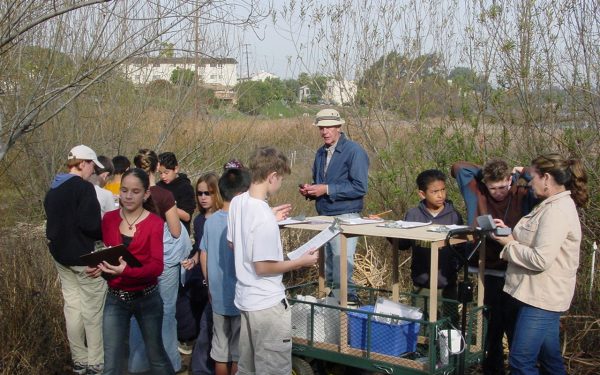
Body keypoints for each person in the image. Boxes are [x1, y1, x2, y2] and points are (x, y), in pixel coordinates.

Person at [492, 153, 588, 375]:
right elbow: (537, 244)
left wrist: (508, 245)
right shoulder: (550, 205)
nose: (529, 182)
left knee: (520, 362)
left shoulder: (556, 211)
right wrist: (510, 235)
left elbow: (540, 259)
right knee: (550, 360)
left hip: (542, 299)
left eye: (532, 177)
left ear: (546, 178)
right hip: (539, 294)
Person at [228, 147, 319, 375]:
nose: (279, 184)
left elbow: (234, 243)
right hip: (267, 305)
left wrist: (271, 216)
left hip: (246, 300)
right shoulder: (263, 217)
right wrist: (301, 262)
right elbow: (263, 267)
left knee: (247, 369)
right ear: (272, 177)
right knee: (274, 370)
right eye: (280, 179)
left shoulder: (238, 202)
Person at [451, 159, 537, 375]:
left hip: (514, 268)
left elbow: (545, 181)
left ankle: (517, 368)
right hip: (485, 267)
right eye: (493, 187)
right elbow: (458, 168)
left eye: (502, 186)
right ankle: (493, 368)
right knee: (491, 326)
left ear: (510, 180)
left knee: (514, 325)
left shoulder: (522, 194)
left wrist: (521, 171)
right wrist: (485, 173)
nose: (498, 192)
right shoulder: (477, 191)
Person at [86, 168, 175, 375]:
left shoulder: (154, 223)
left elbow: (156, 266)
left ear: (146, 194)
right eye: (124, 190)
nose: (127, 196)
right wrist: (100, 267)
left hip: (147, 298)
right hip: (115, 298)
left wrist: (126, 271)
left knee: (156, 355)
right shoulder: (108, 219)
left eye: (135, 191)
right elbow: (109, 253)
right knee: (112, 360)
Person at [43, 145, 107, 375]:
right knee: (92, 311)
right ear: (82, 164)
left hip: (61, 258)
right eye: (91, 165)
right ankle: (96, 363)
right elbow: (90, 225)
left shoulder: (54, 188)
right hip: (84, 259)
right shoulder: (83, 189)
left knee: (72, 309)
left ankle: (79, 360)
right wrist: (106, 231)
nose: (93, 171)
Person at [128, 149, 190, 374]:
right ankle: (168, 364)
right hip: (163, 262)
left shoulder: (130, 195)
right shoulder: (164, 196)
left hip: (137, 261)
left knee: (138, 312)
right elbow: (175, 231)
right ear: (156, 168)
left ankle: (137, 364)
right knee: (165, 312)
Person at [298, 109, 369, 304]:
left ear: (339, 127)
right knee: (329, 270)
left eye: (329, 127)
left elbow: (360, 187)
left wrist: (326, 189)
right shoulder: (320, 152)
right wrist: (310, 191)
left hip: (346, 216)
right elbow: (320, 183)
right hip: (324, 216)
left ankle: (347, 313)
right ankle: (332, 313)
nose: (325, 131)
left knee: (341, 270)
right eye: (321, 128)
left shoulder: (354, 151)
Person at [195, 168, 250, 375]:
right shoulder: (242, 221)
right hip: (240, 297)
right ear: (241, 195)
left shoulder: (210, 221)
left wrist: (209, 284)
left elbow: (204, 254)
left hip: (216, 297)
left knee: (220, 351)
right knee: (238, 354)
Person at [396, 170, 463, 319]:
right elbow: (403, 244)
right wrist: (388, 231)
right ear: (422, 193)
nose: (441, 195)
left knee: (448, 328)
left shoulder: (454, 216)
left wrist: (455, 268)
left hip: (447, 285)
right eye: (435, 191)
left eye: (443, 190)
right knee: (422, 328)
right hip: (422, 286)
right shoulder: (414, 215)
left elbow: (462, 249)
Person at [177, 173, 222, 363]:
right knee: (185, 297)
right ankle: (187, 338)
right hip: (200, 269)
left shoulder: (223, 218)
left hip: (217, 272)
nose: (203, 197)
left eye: (208, 193)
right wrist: (193, 260)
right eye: (200, 193)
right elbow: (199, 248)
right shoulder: (199, 220)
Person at [157, 151, 196, 233]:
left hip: (179, 235)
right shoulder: (159, 186)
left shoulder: (185, 187)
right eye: (160, 173)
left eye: (166, 172)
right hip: (161, 231)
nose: (163, 176)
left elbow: (187, 216)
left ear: (176, 169)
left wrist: (166, 204)